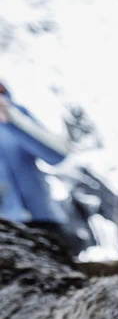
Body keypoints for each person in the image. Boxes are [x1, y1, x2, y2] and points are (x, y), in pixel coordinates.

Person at [0, 82, 73, 253]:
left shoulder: (17, 113)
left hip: (44, 222)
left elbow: (56, 155)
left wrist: (12, 120)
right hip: (5, 230)